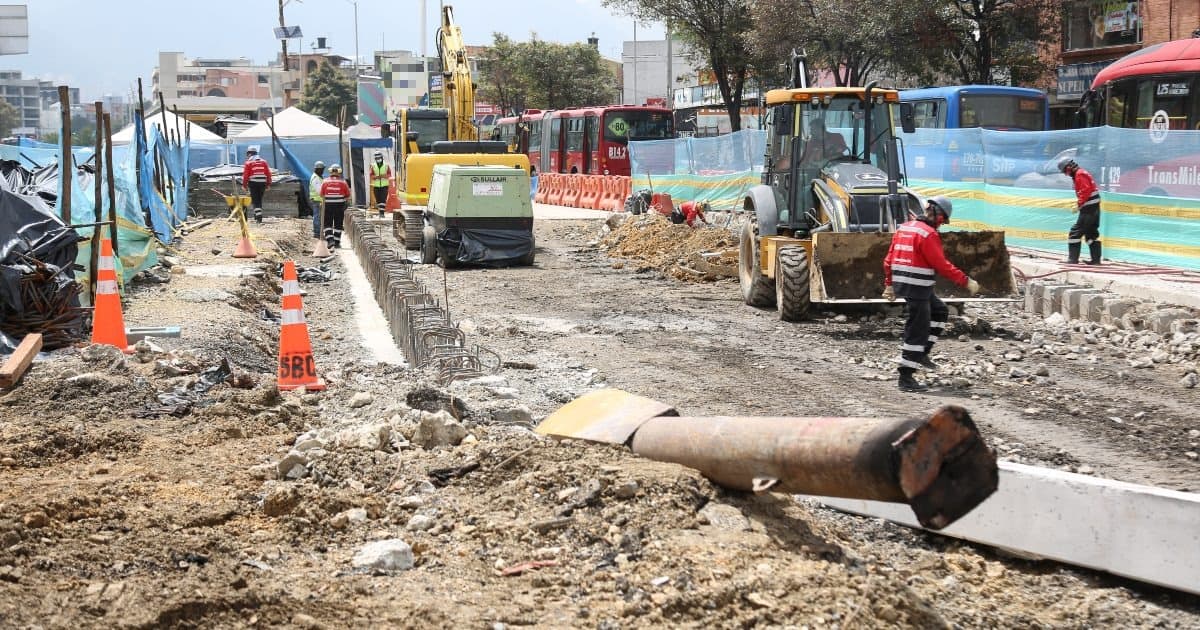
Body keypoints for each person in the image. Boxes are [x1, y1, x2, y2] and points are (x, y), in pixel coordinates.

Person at [882, 196, 981, 392]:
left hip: (909, 284)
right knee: (917, 329)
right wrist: (965, 281)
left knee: (940, 312)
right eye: (943, 220)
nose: (942, 224)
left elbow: (888, 259)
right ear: (937, 214)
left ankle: (922, 353)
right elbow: (941, 265)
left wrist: (890, 284)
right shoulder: (928, 234)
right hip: (916, 286)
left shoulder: (905, 227)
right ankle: (906, 377)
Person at [1059, 157, 1102, 265]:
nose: (1065, 174)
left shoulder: (1079, 174)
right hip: (1093, 208)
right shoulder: (1081, 173)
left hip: (1089, 209)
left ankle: (1073, 259)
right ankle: (1096, 260)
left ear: (1068, 168)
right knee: (1091, 234)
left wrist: (1079, 204)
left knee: (1075, 233)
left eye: (1065, 171)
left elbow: (1085, 190)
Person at [318, 164, 351, 249]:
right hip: (340, 205)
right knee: (338, 224)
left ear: (330, 172)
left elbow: (321, 194)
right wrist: (346, 203)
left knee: (327, 223)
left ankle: (330, 240)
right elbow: (348, 195)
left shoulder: (325, 181)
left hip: (327, 205)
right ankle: (336, 242)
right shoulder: (343, 182)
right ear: (339, 172)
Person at [241, 145, 271, 223]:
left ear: (250, 154)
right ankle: (256, 215)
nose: (247, 156)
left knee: (255, 200)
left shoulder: (248, 163)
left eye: (247, 154)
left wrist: (244, 185)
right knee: (259, 199)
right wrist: (268, 184)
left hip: (253, 183)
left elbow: (246, 175)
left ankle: (258, 218)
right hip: (262, 183)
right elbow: (268, 173)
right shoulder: (264, 162)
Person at [370, 150, 392, 218]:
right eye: (376, 158)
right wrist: (376, 177)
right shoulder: (373, 166)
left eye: (379, 158)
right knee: (378, 200)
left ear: (382, 157)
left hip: (384, 186)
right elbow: (371, 175)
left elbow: (389, 174)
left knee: (383, 199)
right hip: (376, 186)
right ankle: (380, 212)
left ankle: (382, 213)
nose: (378, 159)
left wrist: (384, 176)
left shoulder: (386, 165)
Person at [308, 161, 325, 238]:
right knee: (317, 216)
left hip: (319, 200)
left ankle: (319, 232)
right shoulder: (315, 178)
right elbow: (319, 191)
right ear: (318, 169)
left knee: (319, 216)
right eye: (322, 169)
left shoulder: (318, 177)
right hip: (317, 200)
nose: (323, 171)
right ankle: (317, 232)